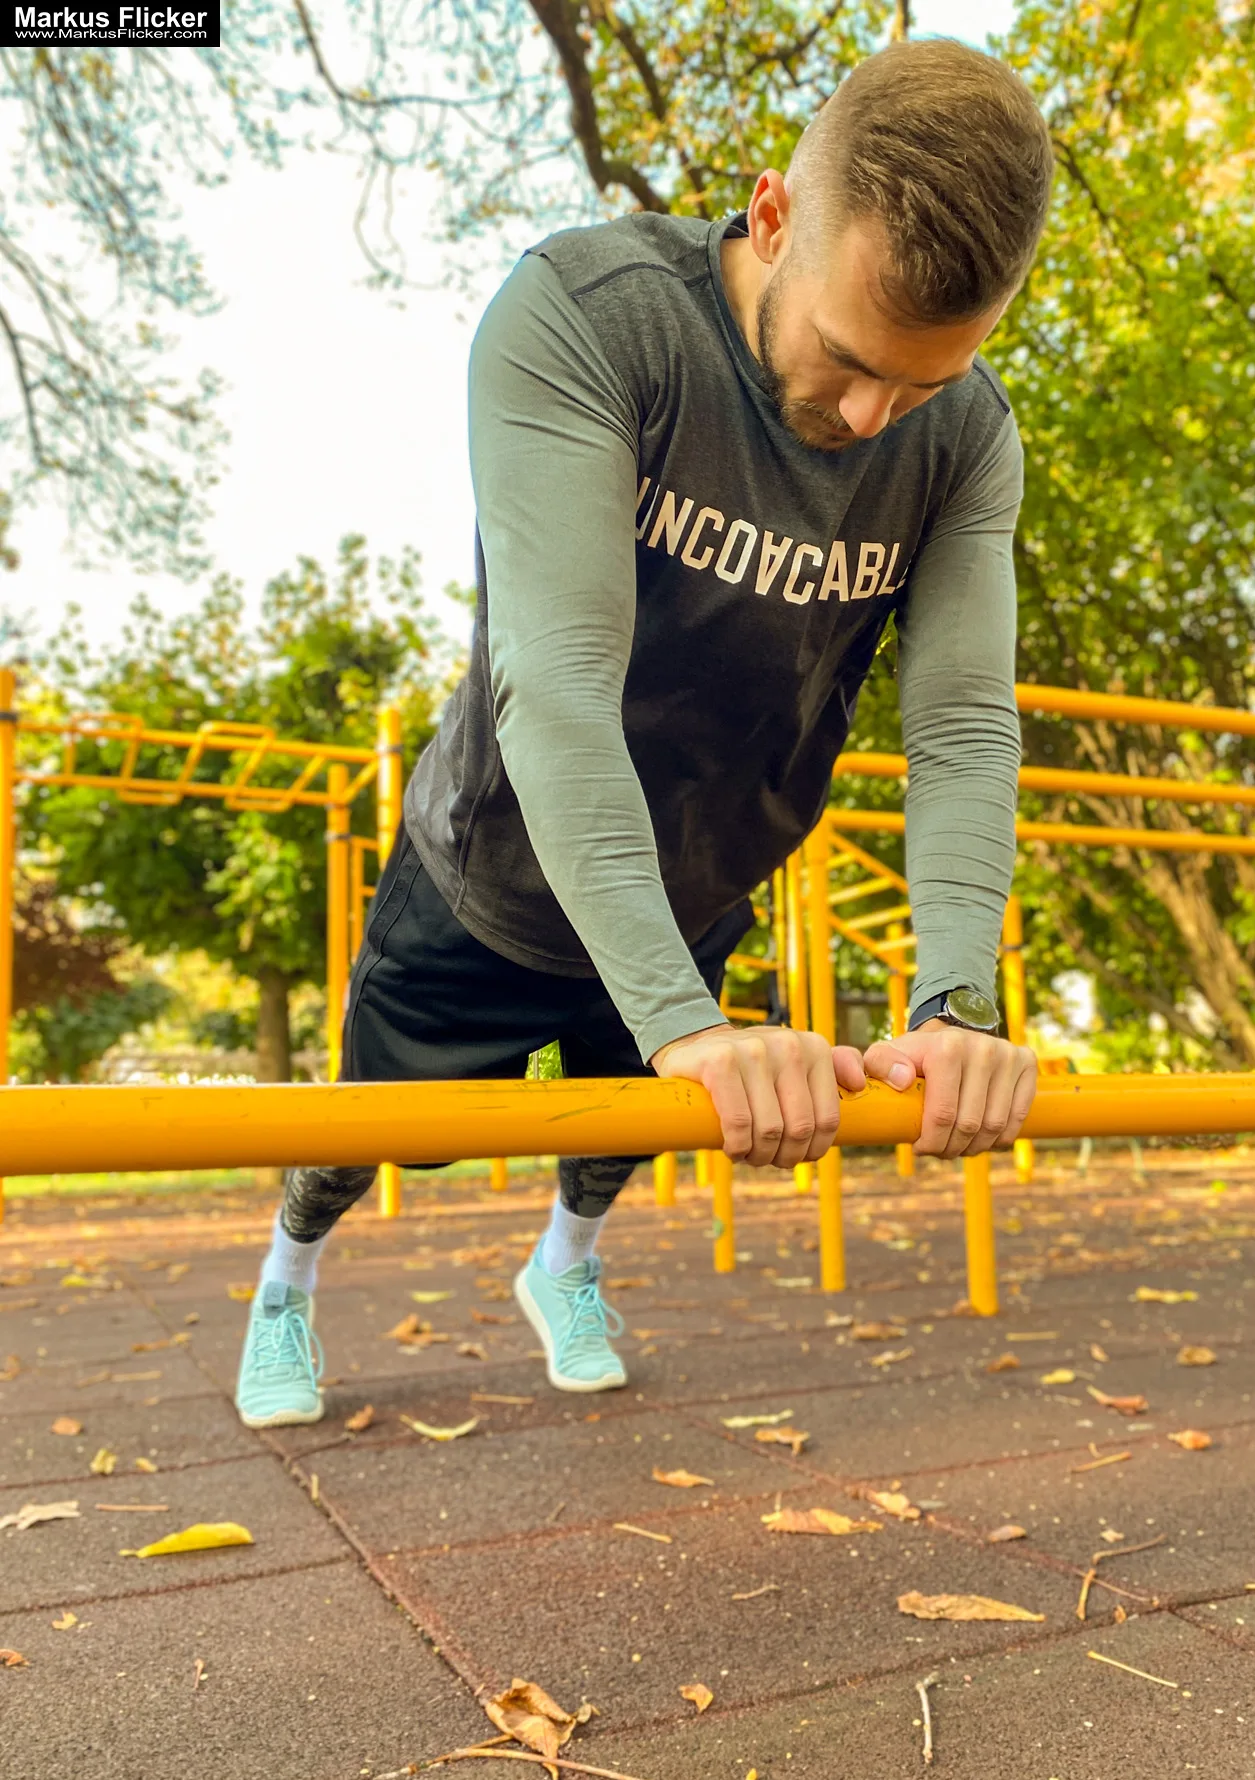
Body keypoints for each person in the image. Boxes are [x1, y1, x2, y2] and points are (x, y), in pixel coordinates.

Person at [235, 35, 1050, 1428]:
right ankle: (287, 1282)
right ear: (773, 215)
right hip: (491, 870)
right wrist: (687, 1020)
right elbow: (555, 680)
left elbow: (965, 723)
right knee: (360, 1135)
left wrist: (955, 1003)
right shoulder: (589, 319)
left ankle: (567, 1267)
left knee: (637, 1126)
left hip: (703, 869)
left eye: (919, 383)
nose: (870, 419)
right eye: (850, 361)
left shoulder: (965, 435)